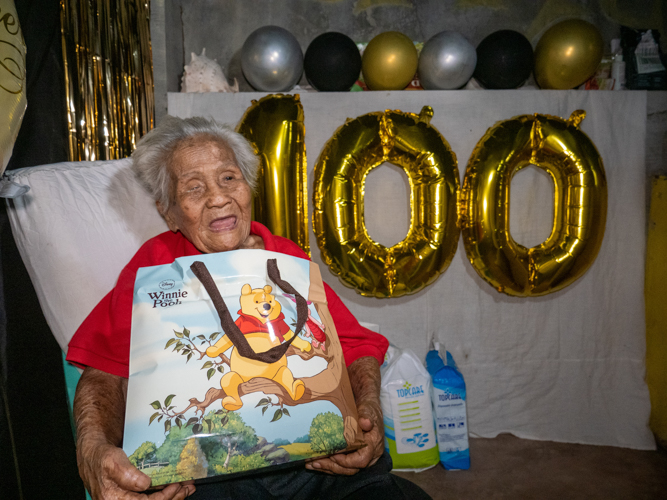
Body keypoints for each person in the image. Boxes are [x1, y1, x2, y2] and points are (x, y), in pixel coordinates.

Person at [66, 116, 431, 500]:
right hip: (207, 479)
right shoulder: (153, 268)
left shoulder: (285, 257)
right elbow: (103, 369)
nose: (218, 197)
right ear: (169, 212)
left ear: (247, 187)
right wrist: (91, 448)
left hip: (316, 466)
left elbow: (356, 348)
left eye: (228, 178)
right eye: (193, 188)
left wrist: (369, 411)